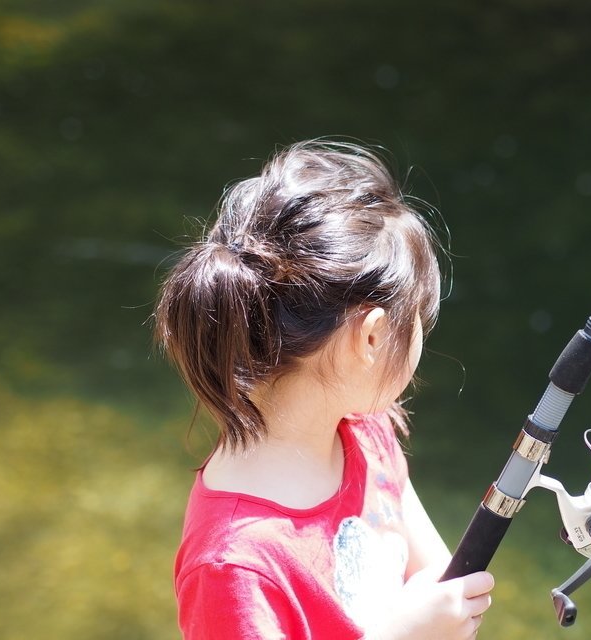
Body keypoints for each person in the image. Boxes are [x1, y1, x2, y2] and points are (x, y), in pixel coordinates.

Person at [154, 140, 494, 640]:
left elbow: (440, 578)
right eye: (417, 320)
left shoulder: (363, 431)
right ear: (372, 335)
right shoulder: (233, 565)